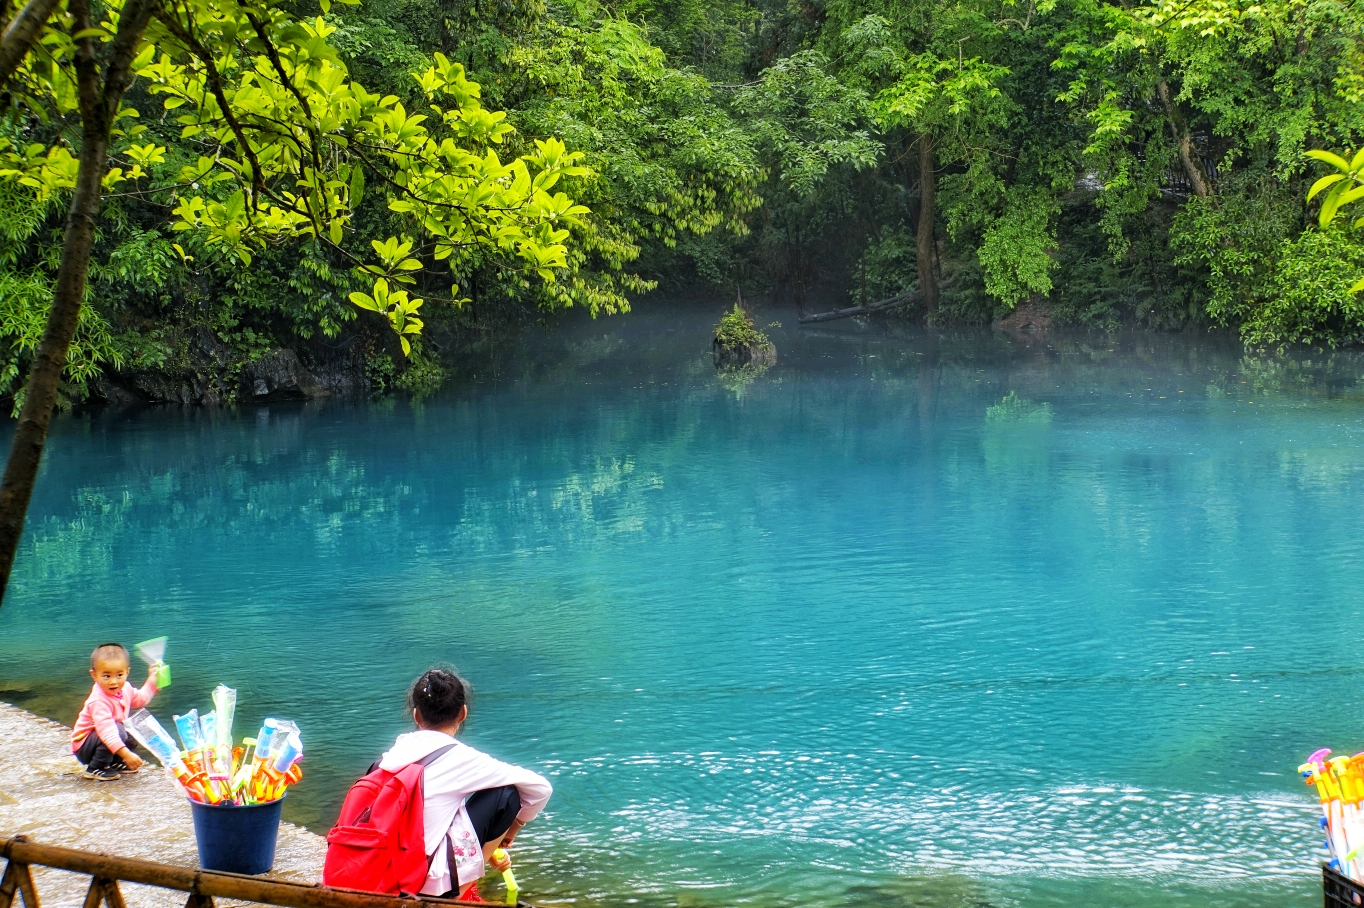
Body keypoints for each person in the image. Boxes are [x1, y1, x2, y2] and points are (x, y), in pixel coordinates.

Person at [376, 668, 552, 900]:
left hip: (377, 872)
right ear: (463, 713)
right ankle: (463, 889)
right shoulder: (461, 759)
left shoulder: (390, 756)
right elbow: (541, 789)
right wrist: (511, 831)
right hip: (422, 885)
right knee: (506, 794)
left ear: (416, 715)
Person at [71, 643, 158, 781]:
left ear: (127, 672)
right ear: (94, 675)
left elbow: (141, 699)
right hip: (85, 747)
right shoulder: (98, 701)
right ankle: (95, 767)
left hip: (104, 739)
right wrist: (127, 754)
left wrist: (153, 680)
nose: (114, 682)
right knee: (117, 728)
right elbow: (107, 732)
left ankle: (114, 762)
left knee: (134, 727)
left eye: (119, 675)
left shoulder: (125, 689)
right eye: (106, 676)